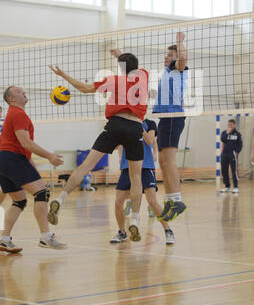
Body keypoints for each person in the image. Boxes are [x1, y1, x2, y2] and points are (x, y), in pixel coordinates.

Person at [47, 52, 149, 242]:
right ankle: (134, 219)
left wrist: (64, 76)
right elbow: (129, 64)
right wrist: (122, 56)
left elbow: (85, 88)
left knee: (85, 166)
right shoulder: (143, 75)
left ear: (120, 68)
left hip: (115, 125)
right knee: (136, 177)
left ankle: (60, 199)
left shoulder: (112, 80)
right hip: (135, 126)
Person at [0, 86, 66, 253]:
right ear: (11, 99)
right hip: (11, 158)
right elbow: (26, 143)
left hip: (6, 159)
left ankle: (4, 239)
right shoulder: (18, 114)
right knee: (41, 193)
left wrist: (32, 166)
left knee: (19, 200)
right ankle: (45, 236)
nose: (23, 91)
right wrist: (49, 156)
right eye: (19, 91)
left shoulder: (15, 113)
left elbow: (24, 148)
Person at [110, 119, 175, 245]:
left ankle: (168, 230)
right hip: (126, 166)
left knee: (152, 202)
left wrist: (138, 126)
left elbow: (150, 141)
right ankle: (122, 232)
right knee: (118, 202)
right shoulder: (124, 121)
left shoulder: (149, 124)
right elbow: (118, 143)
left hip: (146, 166)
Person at [152, 32, 188, 222]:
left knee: (169, 159)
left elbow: (182, 57)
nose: (166, 57)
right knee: (163, 161)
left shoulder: (177, 69)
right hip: (165, 118)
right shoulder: (166, 74)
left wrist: (179, 42)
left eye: (169, 55)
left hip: (174, 116)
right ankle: (170, 199)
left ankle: (177, 200)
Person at [219, 119, 243, 194]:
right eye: (229, 124)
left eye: (231, 124)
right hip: (224, 154)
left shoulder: (237, 134)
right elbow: (222, 139)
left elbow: (240, 144)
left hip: (232, 154)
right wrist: (227, 133)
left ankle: (235, 187)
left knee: (234, 171)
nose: (229, 126)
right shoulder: (224, 132)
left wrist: (236, 152)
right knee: (224, 170)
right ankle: (227, 186)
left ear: (234, 125)